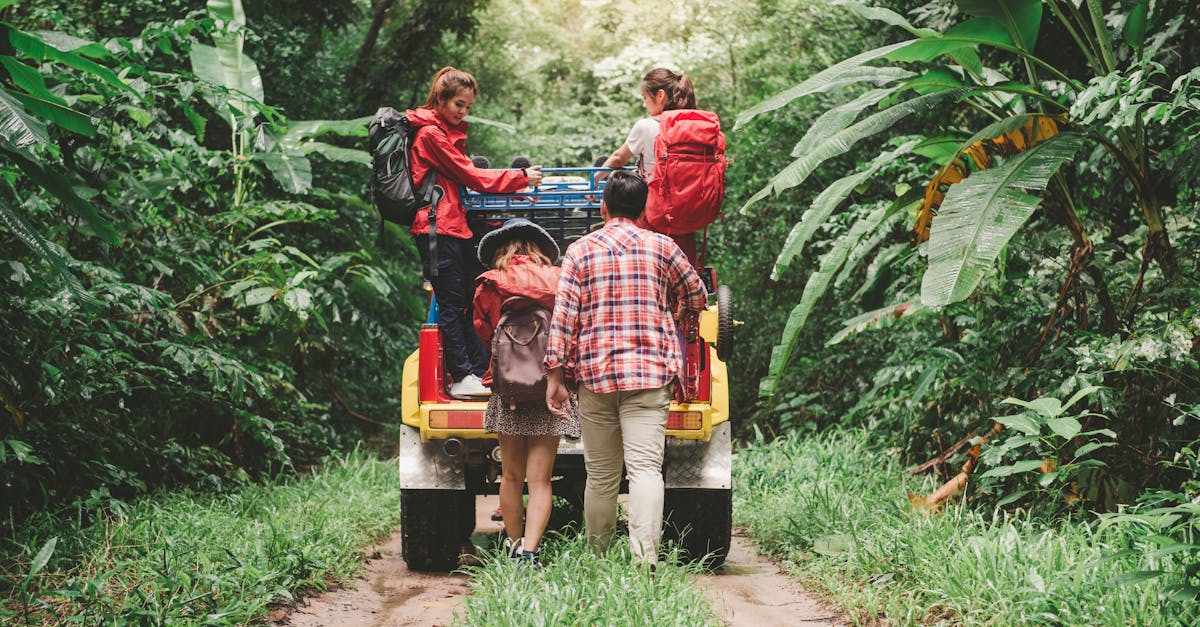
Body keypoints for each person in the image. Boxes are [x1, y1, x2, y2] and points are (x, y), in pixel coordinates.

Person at [544, 171, 708, 567]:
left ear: (603, 207)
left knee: (600, 476)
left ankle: (599, 560)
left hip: (596, 378)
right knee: (646, 470)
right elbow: (698, 294)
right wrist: (675, 304)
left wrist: (554, 376)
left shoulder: (580, 251)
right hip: (651, 376)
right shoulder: (662, 247)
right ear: (645, 208)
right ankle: (645, 559)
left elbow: (564, 316)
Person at [407, 66, 544, 398]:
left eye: (468, 107)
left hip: (453, 227)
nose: (463, 112)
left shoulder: (441, 133)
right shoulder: (430, 136)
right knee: (452, 304)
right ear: (440, 99)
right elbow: (472, 175)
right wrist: (521, 178)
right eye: (458, 104)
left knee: (469, 297)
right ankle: (461, 375)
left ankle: (476, 370)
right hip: (437, 229)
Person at [473, 219, 581, 566]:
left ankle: (513, 544)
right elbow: (570, 328)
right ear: (538, 249)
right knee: (540, 480)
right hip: (549, 386)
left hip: (509, 391)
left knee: (511, 475)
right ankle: (531, 552)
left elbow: (483, 330)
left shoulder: (491, 283)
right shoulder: (558, 278)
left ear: (501, 250)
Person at [595, 67, 700, 267]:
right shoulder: (694, 127)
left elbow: (618, 158)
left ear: (660, 96)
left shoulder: (648, 126)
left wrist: (596, 177)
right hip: (689, 213)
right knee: (686, 268)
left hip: (655, 214)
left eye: (645, 97)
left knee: (642, 265)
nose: (644, 104)